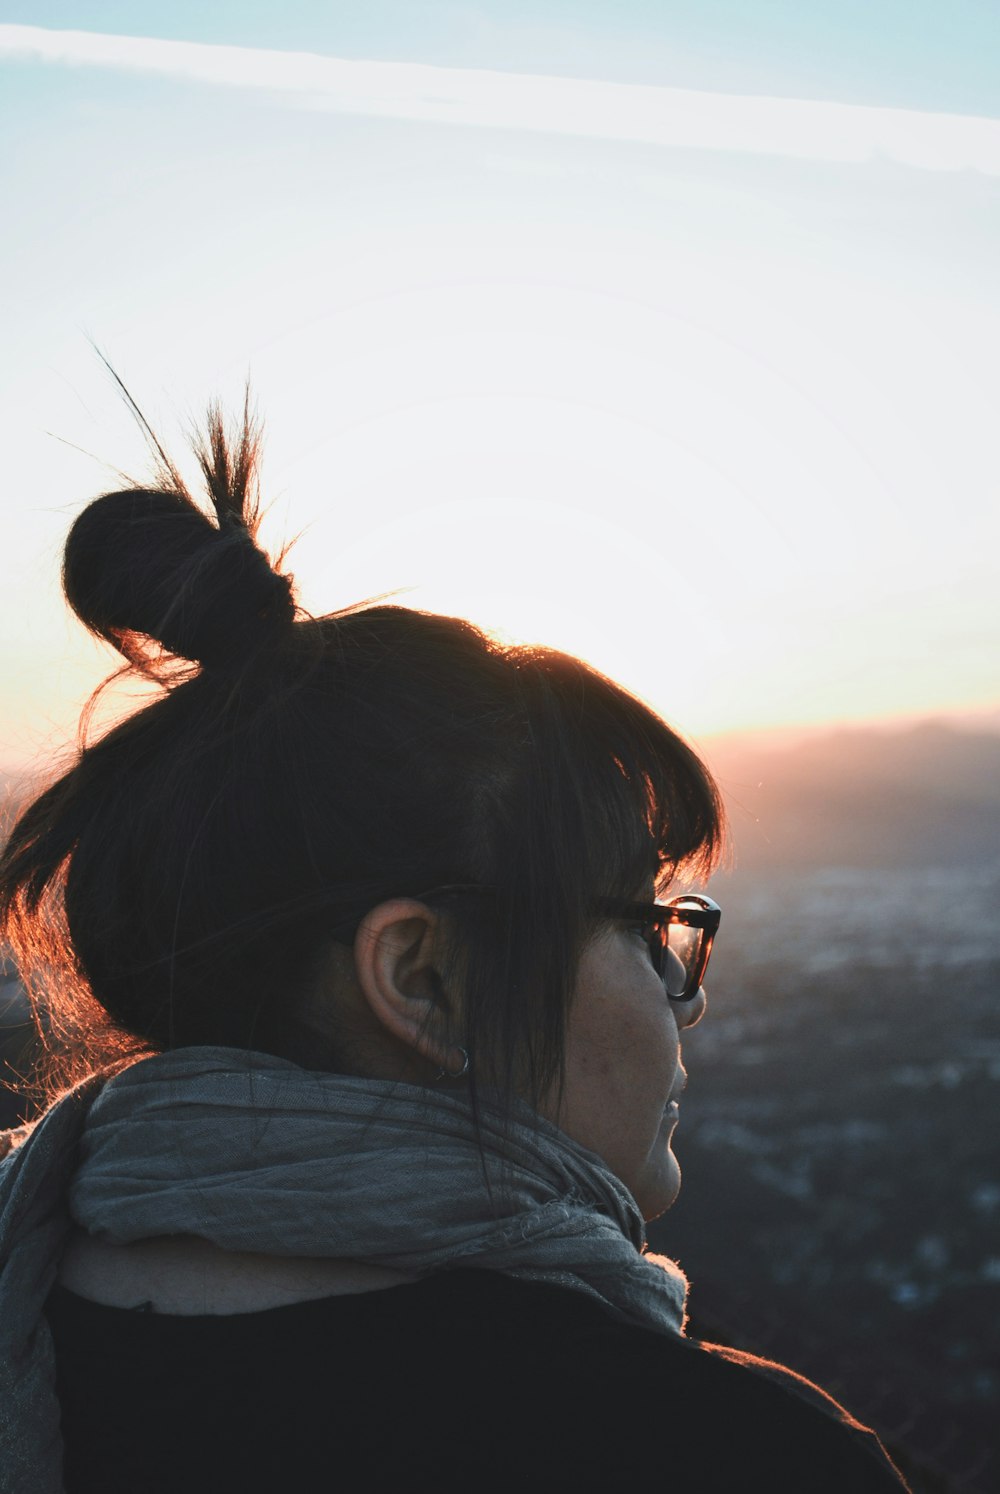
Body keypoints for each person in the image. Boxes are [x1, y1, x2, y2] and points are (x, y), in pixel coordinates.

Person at [0, 404, 908, 1493]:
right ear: (423, 981)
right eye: (643, 924)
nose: (681, 994)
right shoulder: (725, 1455)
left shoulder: (37, 1323)